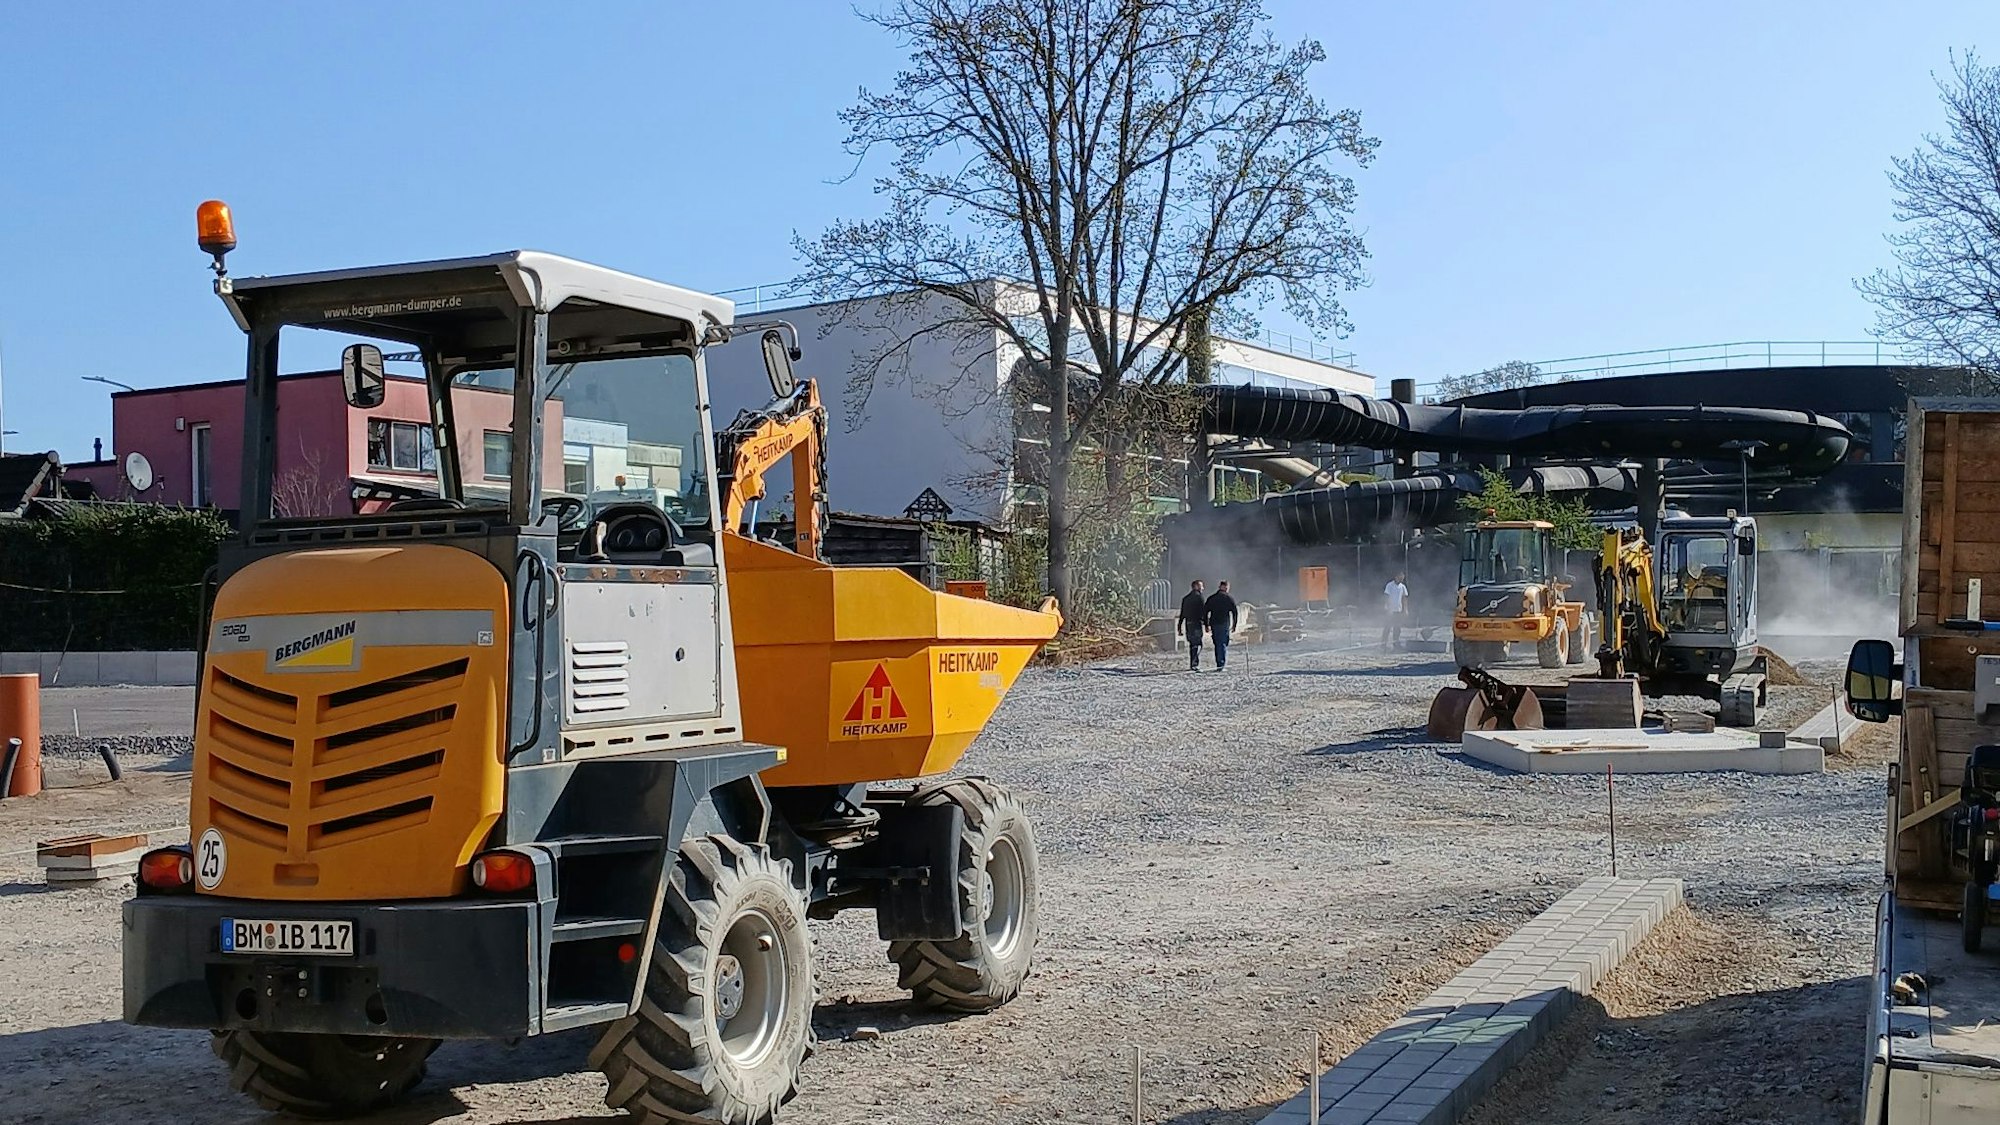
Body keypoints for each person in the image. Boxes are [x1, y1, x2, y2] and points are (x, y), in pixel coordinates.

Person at [1205, 580, 1239, 670]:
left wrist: (1206, 624)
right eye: (1227, 587)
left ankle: (1219, 663)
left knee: (1218, 644)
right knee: (1223, 643)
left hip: (1214, 623)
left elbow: (1205, 612)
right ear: (1224, 587)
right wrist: (1234, 625)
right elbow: (1235, 612)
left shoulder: (1212, 598)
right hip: (1224, 623)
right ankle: (1221, 664)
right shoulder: (1229, 598)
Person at [1178, 579, 1208, 671]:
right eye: (1200, 586)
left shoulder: (1185, 598)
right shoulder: (1199, 597)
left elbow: (1182, 613)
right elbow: (1204, 612)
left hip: (1188, 623)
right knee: (1198, 644)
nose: (1202, 588)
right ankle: (1194, 664)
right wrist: (1207, 624)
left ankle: (1193, 663)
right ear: (1195, 586)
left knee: (1192, 644)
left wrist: (1179, 626)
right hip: (1196, 624)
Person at [1381, 572, 1409, 648]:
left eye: (1403, 577)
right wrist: (1386, 606)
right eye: (1401, 577)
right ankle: (1383, 644)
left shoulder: (1402, 587)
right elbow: (1386, 596)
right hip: (1390, 610)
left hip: (1398, 610)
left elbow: (1404, 598)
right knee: (1387, 627)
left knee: (1397, 628)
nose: (1402, 578)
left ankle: (1396, 644)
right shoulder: (1389, 585)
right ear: (1396, 576)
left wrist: (1405, 609)